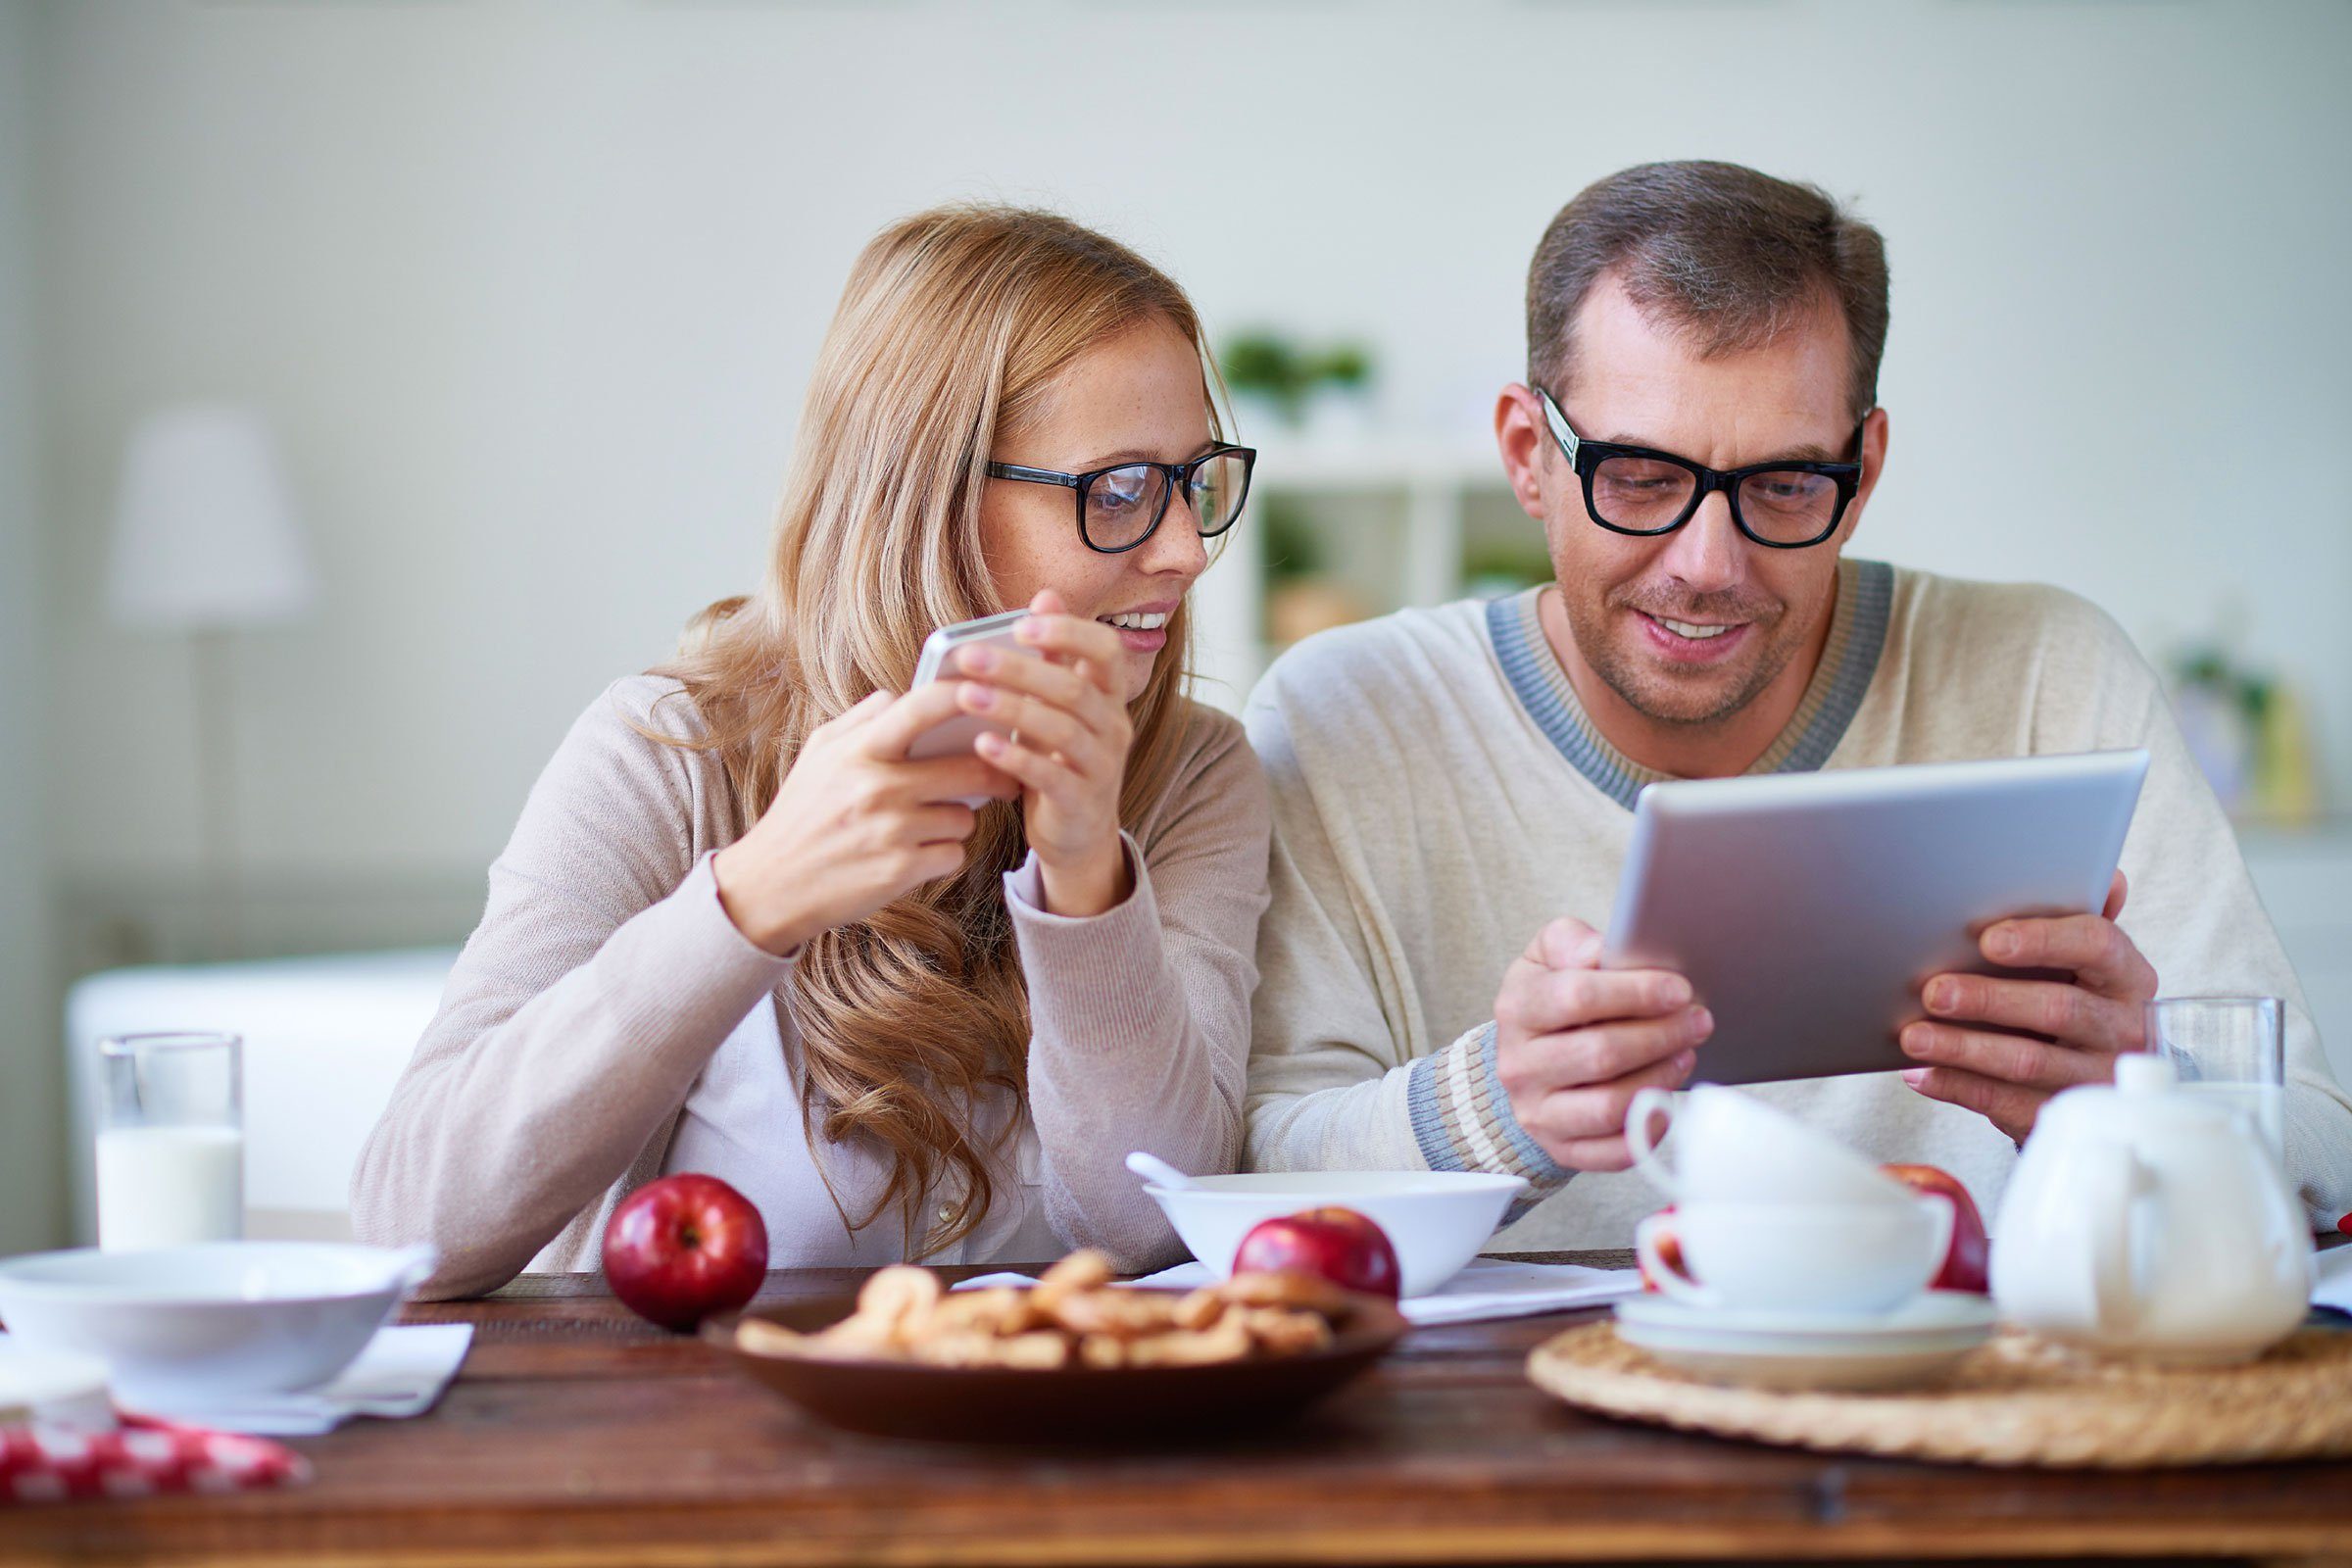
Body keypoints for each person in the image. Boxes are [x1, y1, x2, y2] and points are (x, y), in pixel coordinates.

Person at [1243, 160, 2352, 1244]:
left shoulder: (2049, 673)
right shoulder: (1347, 716)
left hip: (1978, 1408)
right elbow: (1244, 1161)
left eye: (1781, 485)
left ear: (1861, 475)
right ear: (1530, 456)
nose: (1706, 563)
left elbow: (2322, 1151)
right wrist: (1494, 1103)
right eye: (1640, 476)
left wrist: (2150, 1100)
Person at [354, 206, 1271, 1297]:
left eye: (1195, 478)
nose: (1187, 550)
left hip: (1056, 1453)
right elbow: (409, 1229)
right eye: (1118, 492)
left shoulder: (1193, 775)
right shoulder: (666, 755)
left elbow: (1149, 1232)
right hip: (710, 1446)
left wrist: (1088, 885)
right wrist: (750, 901)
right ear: (924, 498)